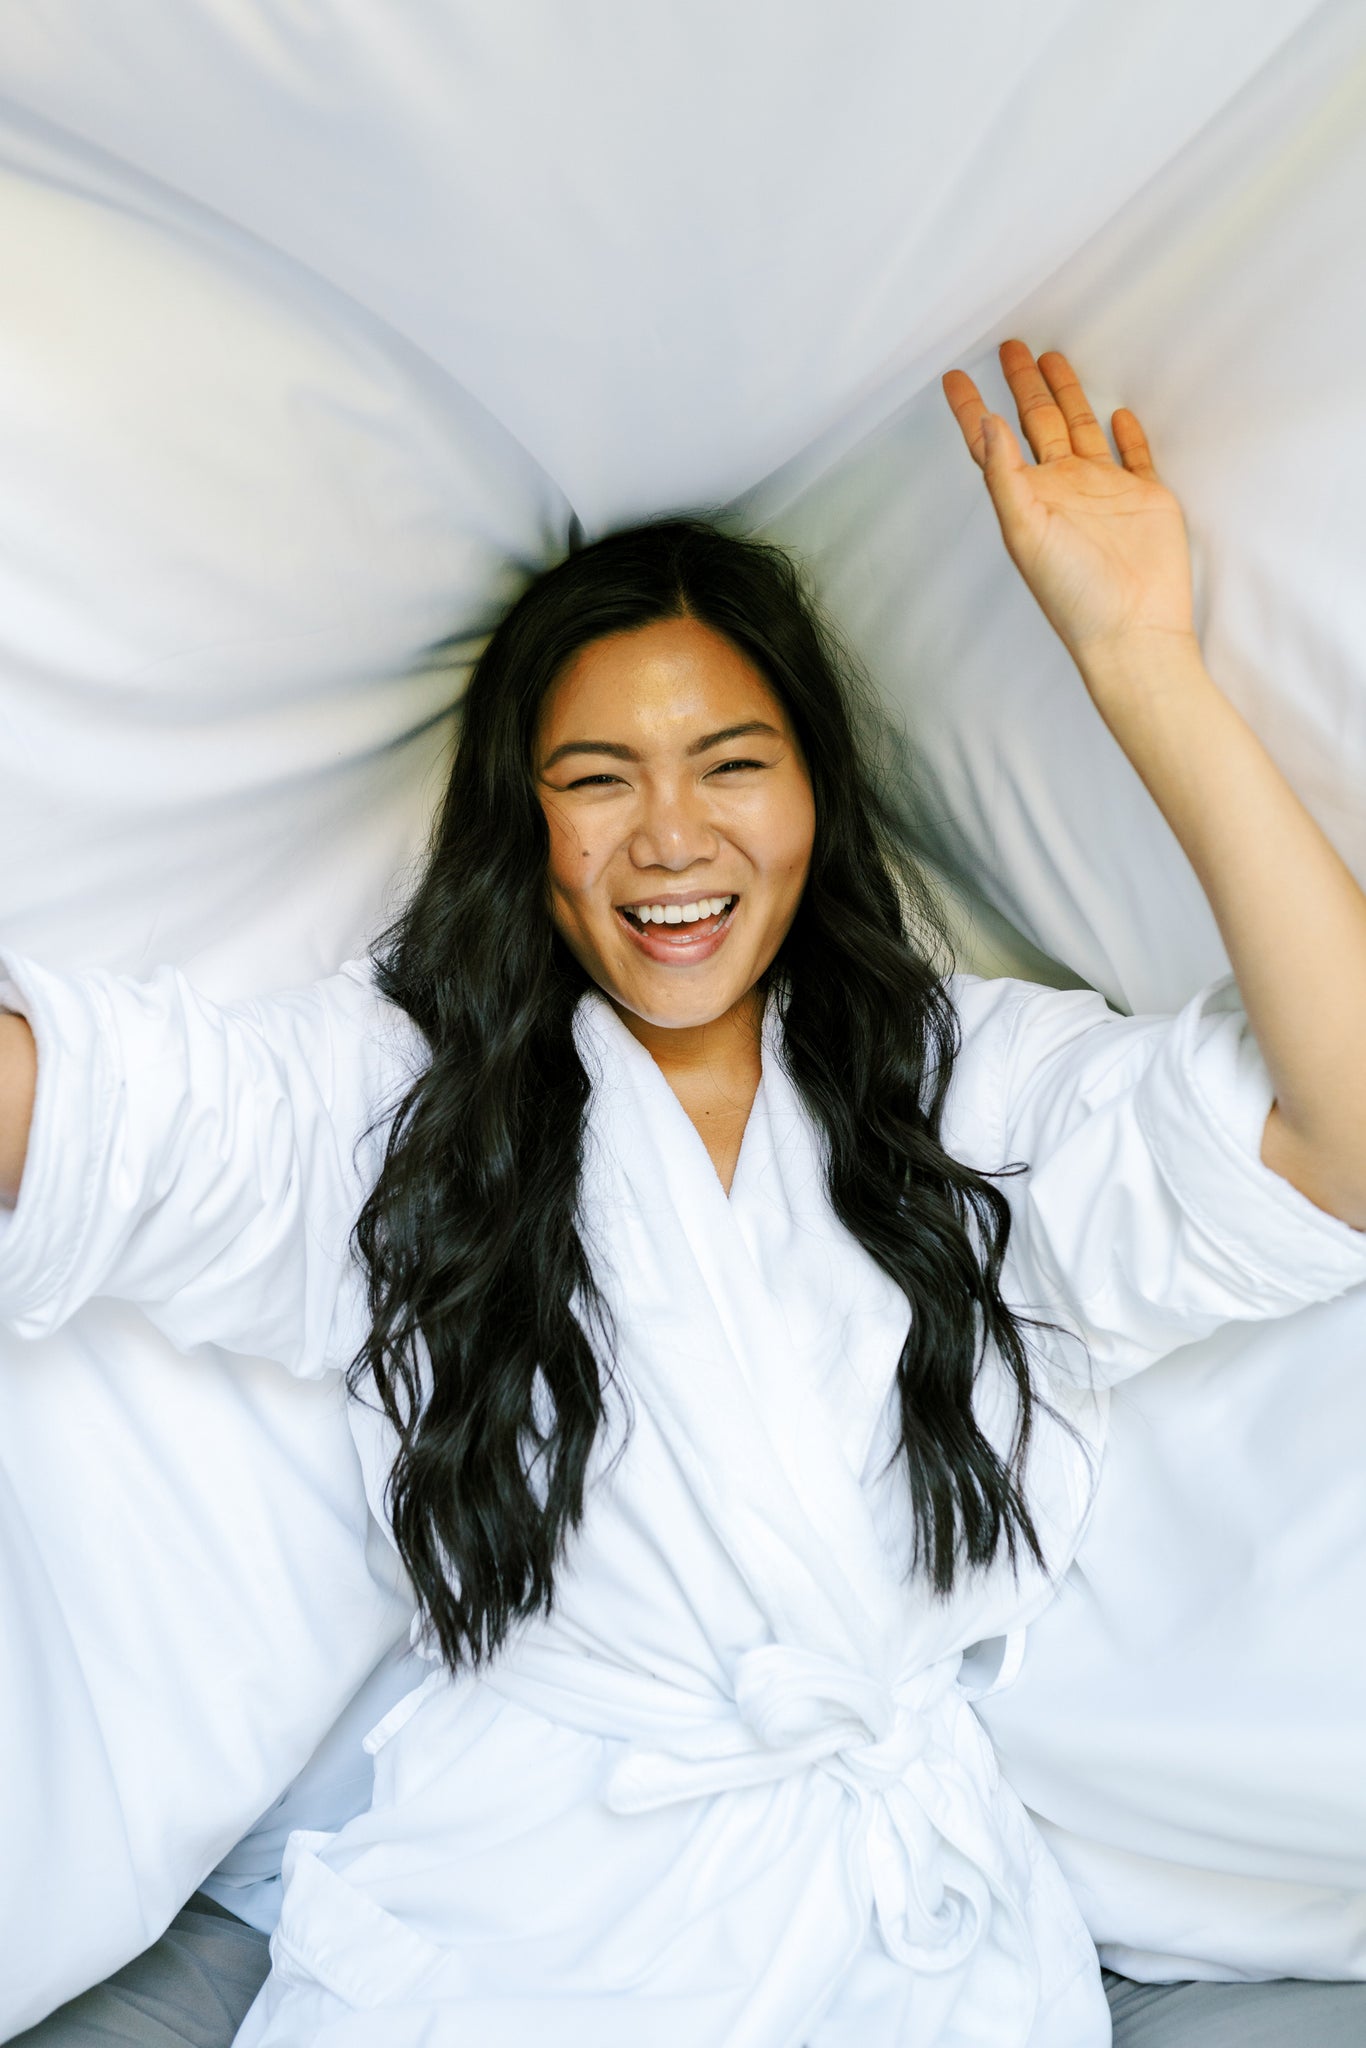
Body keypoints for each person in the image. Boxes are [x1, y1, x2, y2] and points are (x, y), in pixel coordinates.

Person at [4, 341, 1366, 2047]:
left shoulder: (978, 1095)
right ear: (526, 826)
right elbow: (92, 1113)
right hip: (521, 1921)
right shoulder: (393, 1104)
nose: (667, 839)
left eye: (730, 764)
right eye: (595, 781)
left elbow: (1345, 1129)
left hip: (905, 1939)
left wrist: (1137, 654)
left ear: (816, 793)